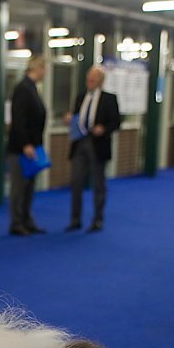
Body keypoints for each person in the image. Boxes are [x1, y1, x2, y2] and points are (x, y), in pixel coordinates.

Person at [65, 65, 121, 233]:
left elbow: (116, 122)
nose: (89, 82)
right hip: (79, 144)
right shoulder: (80, 97)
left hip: (98, 145)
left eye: (93, 80)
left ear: (101, 81)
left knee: (98, 183)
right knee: (76, 182)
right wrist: (69, 119)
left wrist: (103, 129)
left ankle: (97, 219)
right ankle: (75, 220)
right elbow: (76, 117)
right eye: (88, 79)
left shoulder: (109, 99)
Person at [5, 55, 47, 236]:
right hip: (21, 148)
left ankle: (26, 219)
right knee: (19, 187)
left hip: (32, 147)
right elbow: (19, 120)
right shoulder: (23, 89)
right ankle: (16, 222)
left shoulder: (33, 89)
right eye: (44, 68)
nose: (46, 73)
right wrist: (26, 144)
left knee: (29, 186)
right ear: (37, 68)